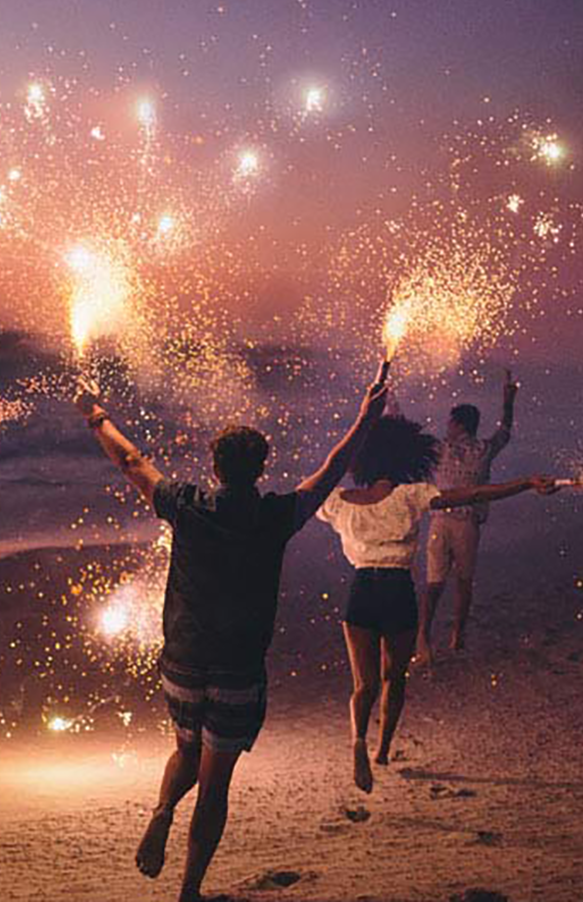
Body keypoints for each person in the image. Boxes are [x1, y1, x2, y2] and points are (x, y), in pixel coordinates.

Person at [75, 379, 388, 902]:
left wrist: (95, 415)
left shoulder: (186, 504)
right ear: (260, 471)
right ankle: (189, 891)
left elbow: (130, 461)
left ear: (214, 468)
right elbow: (331, 471)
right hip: (237, 670)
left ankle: (160, 813)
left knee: (184, 750)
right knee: (214, 783)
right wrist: (365, 419)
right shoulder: (275, 516)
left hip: (183, 660)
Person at [315, 414, 559, 792]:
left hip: (361, 591)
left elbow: (310, 487)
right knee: (393, 677)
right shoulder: (410, 496)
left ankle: (359, 743)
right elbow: (475, 494)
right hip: (397, 592)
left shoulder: (338, 502)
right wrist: (525, 483)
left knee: (363, 685)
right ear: (405, 457)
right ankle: (382, 750)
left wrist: (342, 453)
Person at [420, 369, 519, 661]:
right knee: (462, 581)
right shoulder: (481, 449)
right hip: (465, 524)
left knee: (436, 583)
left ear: (458, 424)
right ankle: (455, 635)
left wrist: (389, 404)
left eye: (450, 421)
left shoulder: (441, 448)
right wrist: (508, 402)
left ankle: (427, 636)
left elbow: (504, 434)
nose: (447, 425)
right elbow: (505, 433)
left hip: (445, 522)